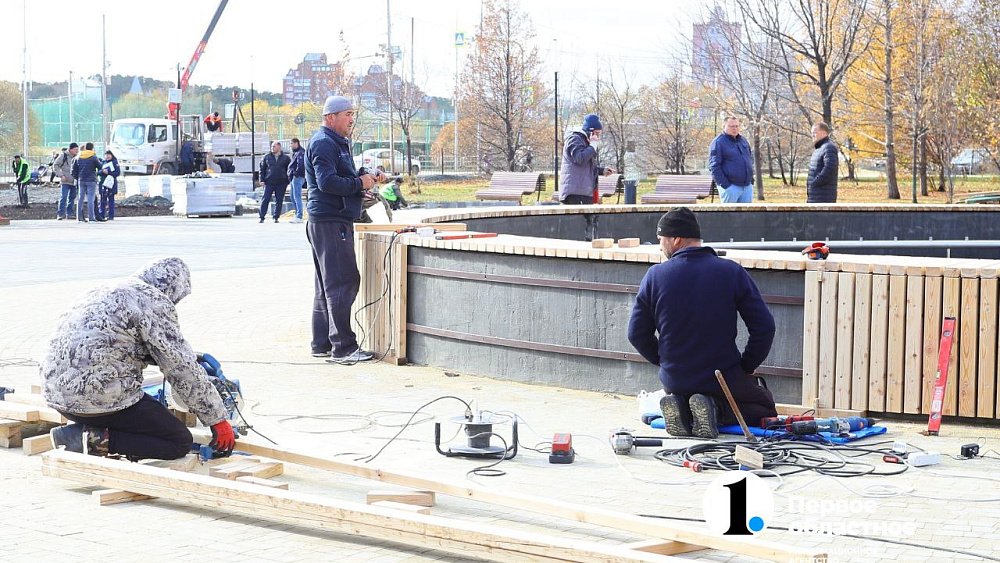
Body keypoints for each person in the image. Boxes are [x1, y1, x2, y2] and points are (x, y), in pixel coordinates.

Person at [42, 257, 235, 460]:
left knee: (141, 414)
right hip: (101, 403)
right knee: (178, 441)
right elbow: (180, 367)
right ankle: (87, 438)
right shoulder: (152, 299)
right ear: (173, 287)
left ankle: (87, 428)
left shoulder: (105, 290)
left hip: (58, 397)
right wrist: (217, 419)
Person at [627, 208, 777, 439]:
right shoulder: (731, 271)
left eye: (661, 239)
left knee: (695, 397)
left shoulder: (655, 276)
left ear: (676, 239)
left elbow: (636, 334)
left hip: (675, 379)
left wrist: (666, 362)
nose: (660, 246)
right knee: (765, 406)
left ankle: (683, 407)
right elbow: (764, 327)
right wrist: (746, 366)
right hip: (722, 376)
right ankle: (715, 411)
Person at [305, 95, 385, 364]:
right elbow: (326, 182)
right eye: (347, 114)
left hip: (327, 220)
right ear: (331, 117)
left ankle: (322, 343)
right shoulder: (324, 143)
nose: (351, 119)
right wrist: (359, 184)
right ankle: (344, 348)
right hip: (331, 221)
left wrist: (365, 176)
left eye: (353, 114)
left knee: (326, 284)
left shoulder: (335, 143)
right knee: (342, 282)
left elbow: (340, 176)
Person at [558, 114, 614, 241]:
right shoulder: (574, 139)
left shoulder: (585, 141)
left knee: (590, 224)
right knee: (577, 229)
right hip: (574, 192)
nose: (598, 137)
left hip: (584, 190)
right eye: (597, 133)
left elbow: (587, 166)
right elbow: (580, 159)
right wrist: (592, 147)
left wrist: (602, 171)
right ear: (590, 131)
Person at [708, 116, 754, 203]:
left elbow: (749, 160)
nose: (735, 129)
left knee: (747, 216)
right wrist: (726, 186)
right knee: (729, 216)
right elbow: (714, 166)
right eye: (731, 126)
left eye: (737, 126)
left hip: (747, 187)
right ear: (724, 126)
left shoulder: (743, 140)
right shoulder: (718, 142)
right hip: (730, 188)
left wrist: (751, 181)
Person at [258, 141, 291, 223]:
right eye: (271, 146)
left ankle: (276, 217)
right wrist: (261, 180)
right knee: (265, 199)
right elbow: (262, 169)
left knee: (279, 200)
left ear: (279, 147)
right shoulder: (267, 157)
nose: (272, 148)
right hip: (269, 181)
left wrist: (288, 180)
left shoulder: (286, 158)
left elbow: (289, 169)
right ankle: (262, 217)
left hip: (281, 182)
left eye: (274, 146)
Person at [807, 121, 839, 203]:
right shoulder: (819, 149)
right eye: (812, 133)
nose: (812, 135)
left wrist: (815, 183)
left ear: (824, 133)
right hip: (815, 195)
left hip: (824, 197)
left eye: (815, 132)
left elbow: (830, 169)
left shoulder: (829, 147)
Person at [72, 143, 101, 222]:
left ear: (85, 148)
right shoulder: (93, 157)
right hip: (91, 180)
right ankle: (91, 218)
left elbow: (73, 170)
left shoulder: (78, 157)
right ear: (92, 148)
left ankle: (79, 218)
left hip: (81, 180)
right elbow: (100, 166)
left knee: (80, 198)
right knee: (90, 199)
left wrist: (77, 177)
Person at [54, 144, 80, 220]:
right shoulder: (63, 156)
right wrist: (61, 175)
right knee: (63, 197)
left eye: (77, 149)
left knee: (72, 198)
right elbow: (55, 165)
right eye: (75, 149)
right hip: (65, 181)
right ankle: (60, 214)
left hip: (74, 181)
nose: (77, 151)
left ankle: (70, 214)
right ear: (70, 149)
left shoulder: (77, 157)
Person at [286, 138, 306, 223]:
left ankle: (299, 216)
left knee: (297, 197)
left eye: (291, 143)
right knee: (292, 197)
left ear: (296, 143)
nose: (290, 145)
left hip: (298, 177)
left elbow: (301, 165)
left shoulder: (300, 153)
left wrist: (295, 174)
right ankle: (297, 214)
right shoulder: (296, 153)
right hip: (294, 178)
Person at [98, 150, 120, 222]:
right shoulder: (103, 163)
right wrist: (102, 172)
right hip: (103, 183)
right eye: (106, 155)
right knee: (102, 200)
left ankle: (111, 216)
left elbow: (117, 173)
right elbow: (98, 172)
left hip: (111, 184)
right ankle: (101, 215)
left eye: (109, 155)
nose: (107, 156)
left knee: (111, 200)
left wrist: (109, 172)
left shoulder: (115, 162)